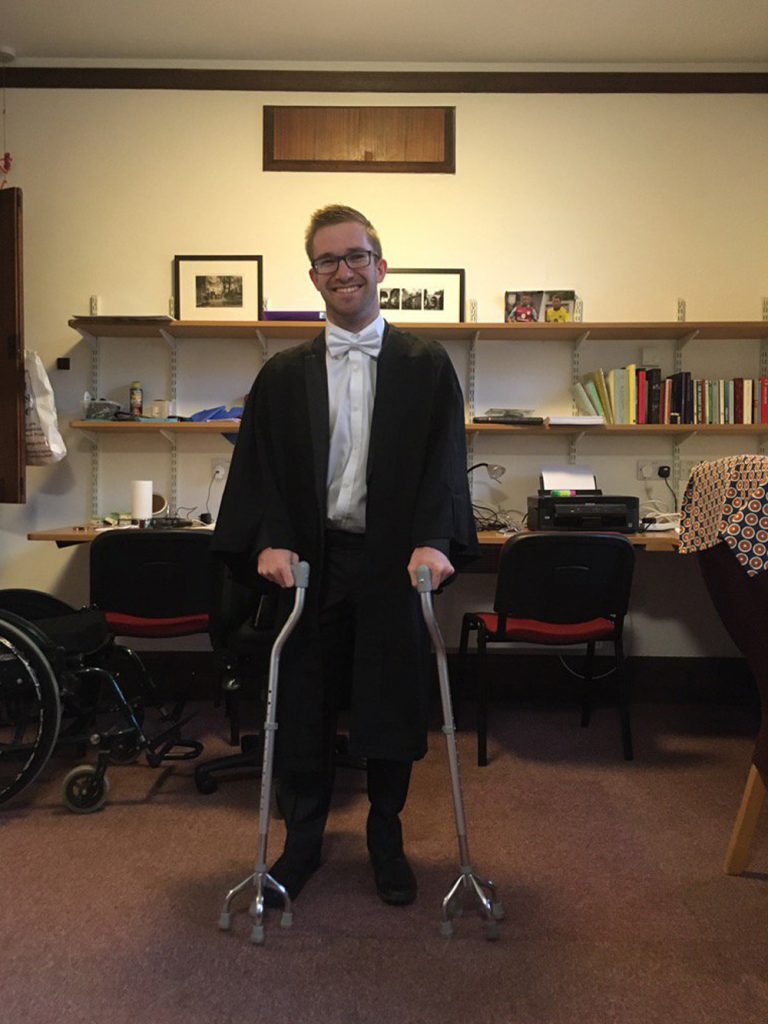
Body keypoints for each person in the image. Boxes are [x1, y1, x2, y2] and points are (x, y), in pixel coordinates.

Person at [212, 204, 477, 908]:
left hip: (394, 560)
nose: (344, 271)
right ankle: (301, 840)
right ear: (313, 277)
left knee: (391, 698)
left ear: (381, 266)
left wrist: (437, 539)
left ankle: (385, 837)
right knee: (303, 699)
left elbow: (445, 464)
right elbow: (260, 472)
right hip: (311, 559)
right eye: (328, 261)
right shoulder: (282, 375)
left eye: (355, 256)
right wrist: (267, 539)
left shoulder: (426, 367)